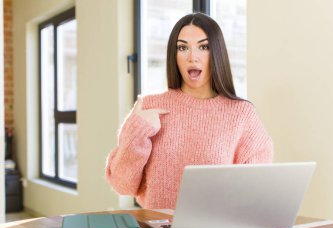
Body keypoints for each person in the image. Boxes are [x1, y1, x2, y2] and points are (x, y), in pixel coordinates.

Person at [105, 13, 273, 209]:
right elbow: (122, 185)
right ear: (174, 55)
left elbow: (254, 192)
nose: (192, 57)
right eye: (183, 48)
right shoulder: (149, 107)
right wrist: (138, 132)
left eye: (204, 47)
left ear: (216, 52)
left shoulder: (242, 114)